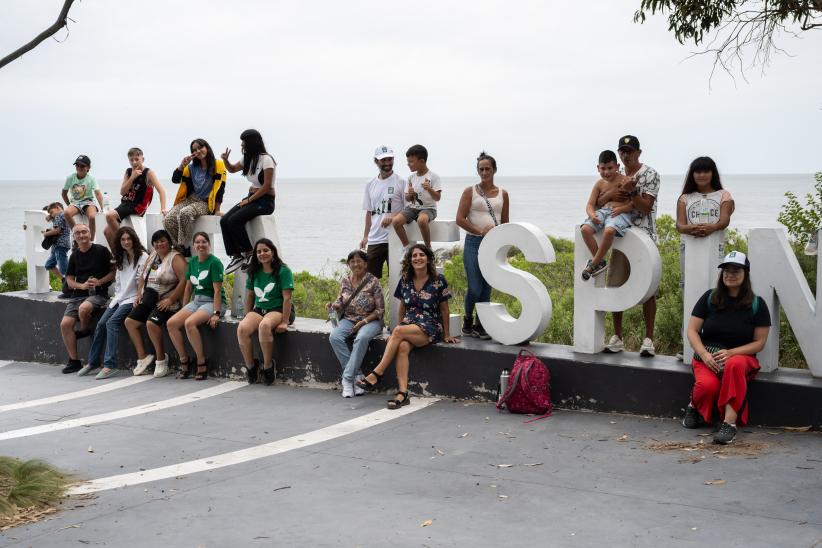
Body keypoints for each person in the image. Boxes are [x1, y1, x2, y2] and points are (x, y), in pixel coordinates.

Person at [682, 251, 770, 444]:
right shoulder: (709, 298)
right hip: (708, 358)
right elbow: (692, 331)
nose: (730, 274)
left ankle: (729, 424)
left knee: (735, 365)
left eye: (736, 270)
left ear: (746, 274)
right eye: (726, 270)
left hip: (741, 358)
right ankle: (694, 405)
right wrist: (704, 354)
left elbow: (759, 343)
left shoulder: (757, 304)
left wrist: (732, 353)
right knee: (707, 387)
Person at [356, 244, 458, 409]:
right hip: (409, 324)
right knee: (402, 346)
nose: (418, 258)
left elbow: (445, 309)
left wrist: (447, 334)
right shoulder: (405, 280)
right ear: (410, 261)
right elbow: (403, 307)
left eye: (421, 255)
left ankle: (377, 373)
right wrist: (401, 329)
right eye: (414, 256)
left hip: (430, 325)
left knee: (397, 332)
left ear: (428, 259)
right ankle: (403, 393)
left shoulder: (439, 280)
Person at [599, 135, 661, 357]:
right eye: (622, 151)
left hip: (644, 236)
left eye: (630, 151)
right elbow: (602, 202)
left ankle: (649, 339)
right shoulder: (617, 175)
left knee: (649, 288)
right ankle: (617, 337)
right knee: (615, 284)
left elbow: (645, 208)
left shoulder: (651, 174)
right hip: (621, 235)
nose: (626, 155)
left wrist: (632, 190)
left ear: (639, 153)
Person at [78, 227, 149, 379]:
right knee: (101, 324)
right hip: (119, 297)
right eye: (123, 239)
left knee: (112, 323)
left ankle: (110, 365)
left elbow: (141, 281)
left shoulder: (142, 257)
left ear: (134, 239)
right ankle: (93, 361)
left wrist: (138, 295)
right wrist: (117, 296)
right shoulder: (121, 257)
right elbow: (118, 281)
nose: (126, 242)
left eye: (129, 239)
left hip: (133, 298)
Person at [455, 152, 509, 339]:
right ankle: (468, 319)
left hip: (494, 245)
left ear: (494, 170)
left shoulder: (503, 194)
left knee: (487, 287)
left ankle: (481, 324)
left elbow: (505, 223)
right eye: (481, 169)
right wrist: (480, 231)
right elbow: (460, 219)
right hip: (473, 243)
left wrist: (504, 246)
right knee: (475, 287)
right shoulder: (470, 191)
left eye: (487, 169)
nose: (484, 172)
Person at [125, 230, 187, 378]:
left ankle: (161, 359)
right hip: (149, 298)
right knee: (130, 322)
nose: (159, 244)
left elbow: (185, 280)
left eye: (163, 241)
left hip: (167, 302)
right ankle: (143, 357)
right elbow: (142, 277)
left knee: (151, 324)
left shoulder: (175, 258)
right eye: (156, 242)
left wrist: (171, 299)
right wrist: (139, 294)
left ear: (169, 242)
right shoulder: (153, 256)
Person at [166, 232, 226, 380]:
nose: (201, 245)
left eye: (204, 242)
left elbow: (217, 290)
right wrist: (184, 308)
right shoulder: (192, 262)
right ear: (193, 245)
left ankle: (201, 361)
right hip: (197, 301)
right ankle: (184, 359)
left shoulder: (215, 263)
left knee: (190, 323)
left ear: (209, 244)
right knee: (172, 323)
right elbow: (188, 288)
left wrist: (216, 313)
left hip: (212, 301)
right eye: (197, 242)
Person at [327, 250, 385, 397]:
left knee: (361, 338)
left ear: (365, 264)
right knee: (335, 337)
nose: (356, 264)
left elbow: (380, 310)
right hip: (349, 319)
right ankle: (357, 376)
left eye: (359, 261)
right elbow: (341, 301)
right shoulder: (345, 281)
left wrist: (364, 322)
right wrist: (333, 306)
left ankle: (346, 379)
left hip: (371, 320)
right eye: (352, 261)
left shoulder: (373, 281)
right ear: (348, 264)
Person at [237, 239, 294, 386]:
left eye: (266, 250)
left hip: (279, 309)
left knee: (264, 326)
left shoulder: (283, 270)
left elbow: (287, 298)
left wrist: (285, 322)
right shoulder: (254, 271)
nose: (262, 254)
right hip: (259, 309)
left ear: (273, 252)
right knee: (242, 328)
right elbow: (249, 295)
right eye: (259, 251)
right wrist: (247, 315)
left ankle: (268, 366)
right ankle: (251, 366)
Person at [59, 224, 115, 374]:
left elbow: (113, 272)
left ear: (90, 234)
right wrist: (82, 286)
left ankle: (84, 330)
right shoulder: (74, 256)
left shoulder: (101, 251)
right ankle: (74, 361)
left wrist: (100, 282)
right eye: (78, 233)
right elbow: (69, 280)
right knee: (65, 324)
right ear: (74, 237)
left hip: (98, 294)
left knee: (84, 308)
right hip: (78, 294)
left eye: (84, 232)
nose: (82, 235)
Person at [220, 130, 277, 274]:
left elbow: (267, 186)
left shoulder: (266, 160)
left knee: (234, 221)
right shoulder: (248, 159)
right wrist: (226, 160)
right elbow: (232, 169)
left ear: (251, 142)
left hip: (265, 202)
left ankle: (249, 253)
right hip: (252, 199)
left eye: (244, 141)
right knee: (225, 220)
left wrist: (249, 200)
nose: (242, 144)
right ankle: (236, 255)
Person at [580, 150, 636, 280]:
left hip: (619, 213)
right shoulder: (599, 184)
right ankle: (599, 262)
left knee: (609, 231)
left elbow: (633, 204)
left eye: (610, 168)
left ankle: (593, 264)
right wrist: (592, 215)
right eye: (603, 168)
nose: (606, 172)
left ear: (617, 166)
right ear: (598, 168)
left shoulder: (625, 180)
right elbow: (590, 205)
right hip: (603, 212)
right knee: (585, 229)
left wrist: (622, 209)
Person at [164, 139, 227, 254]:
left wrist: (217, 210)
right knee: (167, 219)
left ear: (206, 147)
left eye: (200, 147)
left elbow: (221, 188)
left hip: (206, 203)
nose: (198, 151)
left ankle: (184, 245)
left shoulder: (218, 165)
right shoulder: (191, 167)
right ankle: (180, 248)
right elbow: (175, 180)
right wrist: (182, 166)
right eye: (194, 150)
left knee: (185, 213)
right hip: (190, 199)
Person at [104, 147, 168, 250]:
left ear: (143, 159)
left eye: (137, 159)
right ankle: (118, 257)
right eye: (131, 160)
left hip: (138, 206)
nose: (134, 162)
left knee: (109, 215)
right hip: (126, 203)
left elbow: (161, 191)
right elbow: (122, 192)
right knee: (107, 232)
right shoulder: (128, 172)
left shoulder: (149, 173)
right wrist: (132, 177)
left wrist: (163, 208)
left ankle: (128, 245)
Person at [360, 145, 406, 278]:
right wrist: (365, 236)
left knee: (399, 278)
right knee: (369, 281)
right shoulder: (370, 184)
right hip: (375, 239)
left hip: (395, 237)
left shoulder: (401, 182)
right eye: (383, 160)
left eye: (390, 159)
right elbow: (369, 212)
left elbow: (408, 209)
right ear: (376, 161)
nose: (387, 163)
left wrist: (393, 216)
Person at [676, 156, 735, 256]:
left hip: (715, 247)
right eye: (698, 172)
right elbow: (679, 225)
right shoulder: (684, 198)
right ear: (692, 174)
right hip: (689, 249)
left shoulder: (724, 195)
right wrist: (691, 229)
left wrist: (714, 227)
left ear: (713, 173)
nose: (702, 175)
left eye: (706, 171)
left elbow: (725, 221)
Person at [392, 145, 441, 250]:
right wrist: (410, 195)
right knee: (396, 222)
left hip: (429, 209)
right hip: (412, 208)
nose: (408, 164)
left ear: (422, 161)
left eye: (411, 162)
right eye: (408, 161)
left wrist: (430, 189)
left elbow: (437, 198)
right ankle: (407, 248)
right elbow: (407, 199)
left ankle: (428, 248)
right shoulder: (410, 178)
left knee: (422, 221)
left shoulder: (434, 177)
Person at [62, 155, 104, 240]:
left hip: (88, 202)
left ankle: (90, 240)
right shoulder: (70, 178)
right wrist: (69, 204)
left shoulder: (91, 178)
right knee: (66, 212)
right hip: (75, 203)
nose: (79, 167)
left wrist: (103, 208)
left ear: (88, 167)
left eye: (82, 166)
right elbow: (63, 193)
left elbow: (98, 193)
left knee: (92, 217)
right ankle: (77, 234)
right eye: (77, 165)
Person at [42, 202, 71, 295]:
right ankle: (64, 280)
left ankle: (69, 286)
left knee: (64, 268)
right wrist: (51, 216)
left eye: (51, 212)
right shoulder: (60, 215)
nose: (51, 214)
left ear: (58, 208)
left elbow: (57, 230)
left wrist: (46, 234)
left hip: (60, 244)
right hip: (57, 245)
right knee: (49, 265)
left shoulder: (59, 216)